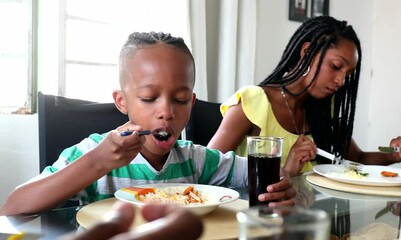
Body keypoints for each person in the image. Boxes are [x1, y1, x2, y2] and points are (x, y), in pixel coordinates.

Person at [0, 31, 295, 216]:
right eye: (149, 97)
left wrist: (280, 186)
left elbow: (262, 176)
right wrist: (96, 163)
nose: (166, 112)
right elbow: (12, 208)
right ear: (122, 101)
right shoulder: (93, 153)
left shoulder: (196, 160)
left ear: (191, 104)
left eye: (180, 100)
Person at [207, 16, 401, 175]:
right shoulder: (253, 103)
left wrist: (392, 156)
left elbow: (356, 158)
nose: (340, 81)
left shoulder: (324, 109)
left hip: (307, 217)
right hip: (257, 216)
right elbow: (207, 169)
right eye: (335, 66)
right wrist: (287, 170)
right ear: (307, 51)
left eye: (347, 75)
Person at [61, 202, 203, 240]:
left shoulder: (198, 156)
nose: (166, 125)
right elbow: (36, 198)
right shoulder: (89, 149)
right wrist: (96, 163)